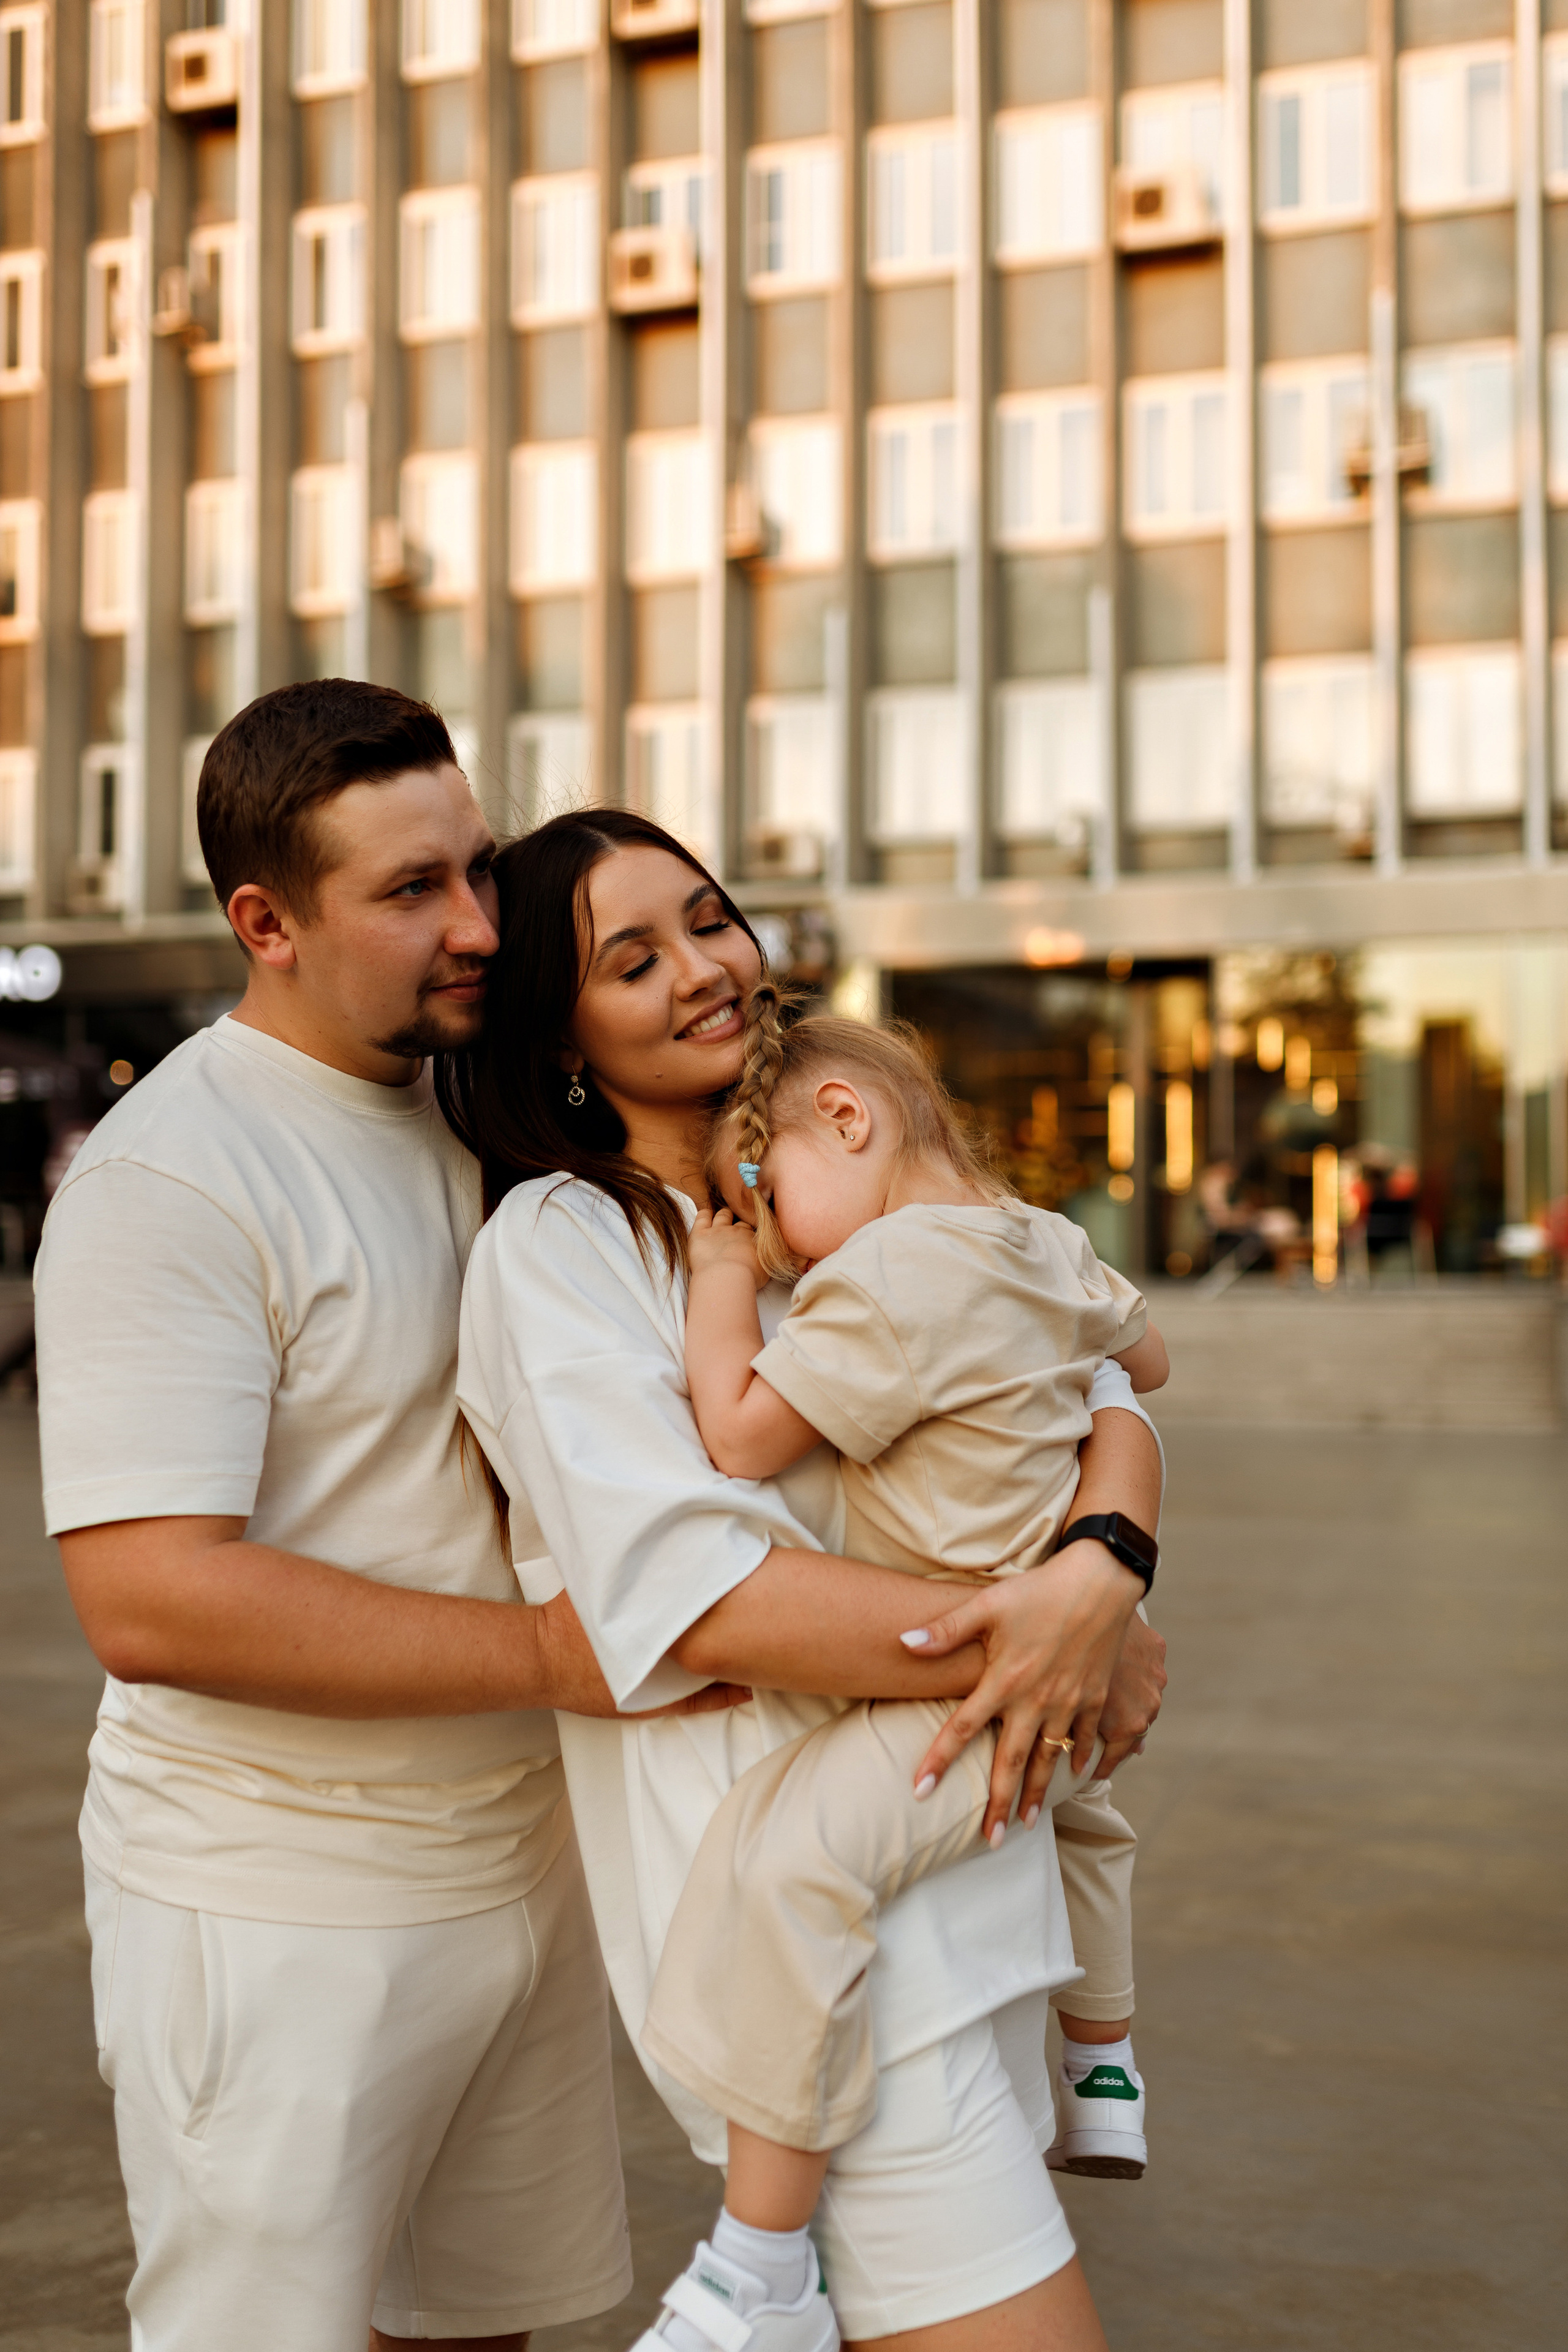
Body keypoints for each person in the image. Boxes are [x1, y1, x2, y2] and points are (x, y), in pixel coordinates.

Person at [33, 684, 731, 2352]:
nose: (481, 924)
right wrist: (561, 1655)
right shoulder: (170, 1180)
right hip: (276, 1907)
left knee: (482, 2331)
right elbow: (153, 1600)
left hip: (526, 1866)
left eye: (478, 865)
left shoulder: (499, 1111)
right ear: (266, 924)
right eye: (412, 889)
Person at [449, 809, 1169, 2352]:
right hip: (826, 1964)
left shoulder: (849, 1210)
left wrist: (1103, 1570)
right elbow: (701, 1604)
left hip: (973, 1882)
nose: (701, 968)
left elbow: (1099, 1387)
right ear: (560, 1038)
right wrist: (1054, 1633)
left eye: (708, 919)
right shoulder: (566, 1247)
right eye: (630, 960)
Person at [628, 992, 1167, 2340]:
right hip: (1062, 1670)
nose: (765, 1234)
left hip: (967, 1682)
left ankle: (760, 2260)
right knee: (1090, 1818)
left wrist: (718, 1277)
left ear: (845, 1119)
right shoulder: (1043, 1239)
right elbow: (1146, 1358)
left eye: (758, 1192)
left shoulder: (888, 1277)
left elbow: (741, 1435)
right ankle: (1103, 2066)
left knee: (786, 1863)